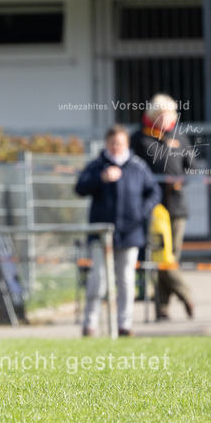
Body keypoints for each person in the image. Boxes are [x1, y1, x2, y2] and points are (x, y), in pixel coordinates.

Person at [75, 124, 161, 337]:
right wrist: (101, 178)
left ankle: (124, 325)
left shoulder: (137, 166)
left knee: (126, 280)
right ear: (106, 143)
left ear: (126, 144)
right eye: (112, 143)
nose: (116, 147)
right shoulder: (97, 166)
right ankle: (90, 324)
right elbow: (80, 188)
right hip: (101, 234)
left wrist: (141, 212)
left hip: (130, 233)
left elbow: (154, 192)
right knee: (98, 280)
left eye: (119, 143)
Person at [130, 94, 196, 320]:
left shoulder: (179, 136)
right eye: (162, 114)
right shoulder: (139, 137)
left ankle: (162, 306)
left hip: (176, 206)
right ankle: (185, 295)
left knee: (171, 257)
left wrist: (181, 180)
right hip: (152, 206)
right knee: (159, 256)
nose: (167, 119)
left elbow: (192, 167)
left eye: (170, 114)